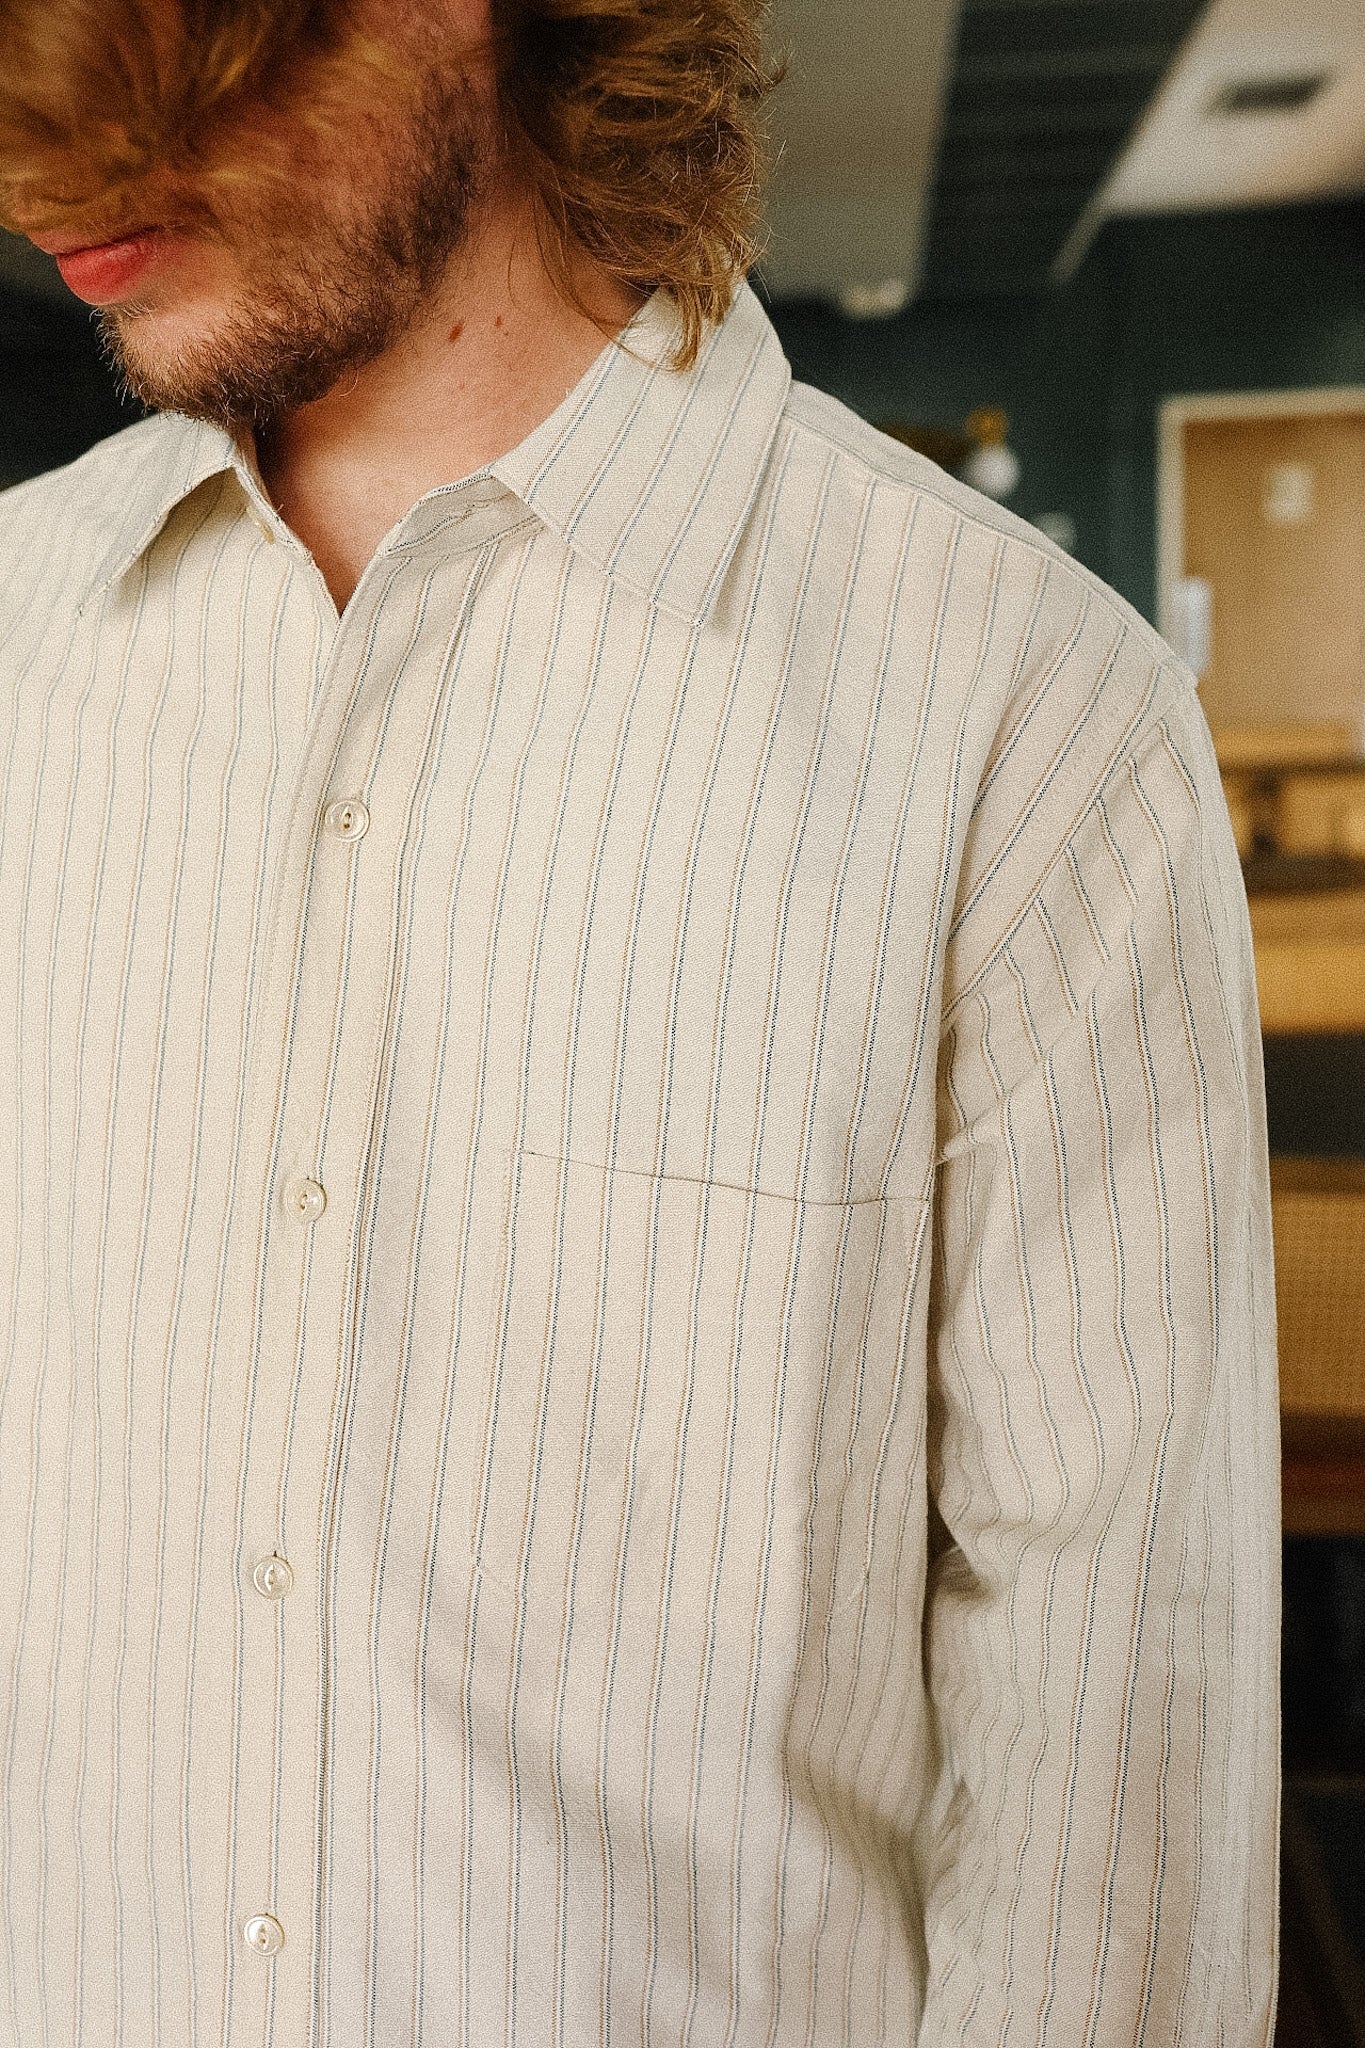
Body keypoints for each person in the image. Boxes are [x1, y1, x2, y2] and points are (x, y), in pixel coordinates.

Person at [0, 1, 1279, 2041]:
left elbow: (1110, 1728)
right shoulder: (13, 646)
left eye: (165, 42)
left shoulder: (1025, 719)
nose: (42, 170)